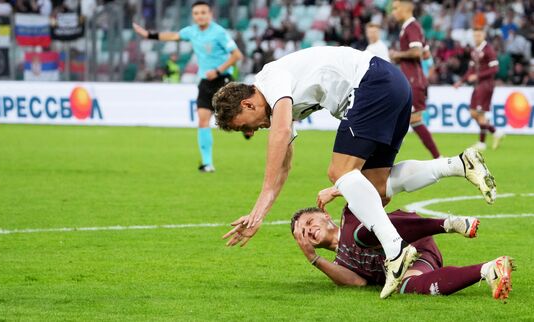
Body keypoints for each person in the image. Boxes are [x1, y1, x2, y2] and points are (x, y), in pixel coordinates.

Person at [212, 46, 496, 299]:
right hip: (393, 83)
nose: (250, 132)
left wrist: (261, 196)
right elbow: (284, 165)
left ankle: (395, 250)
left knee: (339, 172)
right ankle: (459, 164)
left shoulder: (270, 80)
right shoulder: (279, 99)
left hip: (371, 84)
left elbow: (281, 132)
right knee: (376, 189)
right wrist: (258, 213)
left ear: (247, 104)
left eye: (243, 125)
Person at [291, 206, 514, 300]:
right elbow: (358, 283)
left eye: (309, 221)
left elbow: (375, 187)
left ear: (325, 214)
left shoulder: (349, 213)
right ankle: (490, 269)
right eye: (302, 232)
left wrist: (341, 186)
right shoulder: (338, 264)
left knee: (361, 234)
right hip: (417, 259)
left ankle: (448, 223)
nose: (308, 229)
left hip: (412, 236)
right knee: (405, 287)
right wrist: (314, 259)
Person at [133, 1, 243, 173]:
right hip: (205, 81)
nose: (200, 16)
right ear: (193, 16)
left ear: (210, 14)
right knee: (202, 119)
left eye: (203, 12)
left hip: (223, 78)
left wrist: (217, 70)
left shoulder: (219, 33)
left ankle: (248, 128)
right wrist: (148, 35)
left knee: (234, 118)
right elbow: (172, 36)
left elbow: (237, 55)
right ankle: (207, 163)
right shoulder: (191, 31)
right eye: (197, 13)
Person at [390, 0, 441, 159]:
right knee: (399, 117)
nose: (393, 12)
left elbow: (417, 52)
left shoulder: (411, 27)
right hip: (411, 79)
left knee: (415, 120)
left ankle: (438, 157)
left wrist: (398, 55)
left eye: (396, 8)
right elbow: (425, 53)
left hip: (413, 81)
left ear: (405, 9)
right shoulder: (411, 28)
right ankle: (384, 156)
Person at [454, 28, 504, 151]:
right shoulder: (475, 50)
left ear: (484, 35)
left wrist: (478, 76)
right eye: (475, 35)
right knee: (473, 112)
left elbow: (495, 69)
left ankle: (484, 141)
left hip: (486, 85)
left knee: (479, 113)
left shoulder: (489, 50)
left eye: (479, 35)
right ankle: (494, 132)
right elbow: (470, 70)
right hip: (478, 85)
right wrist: (461, 81)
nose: (477, 37)